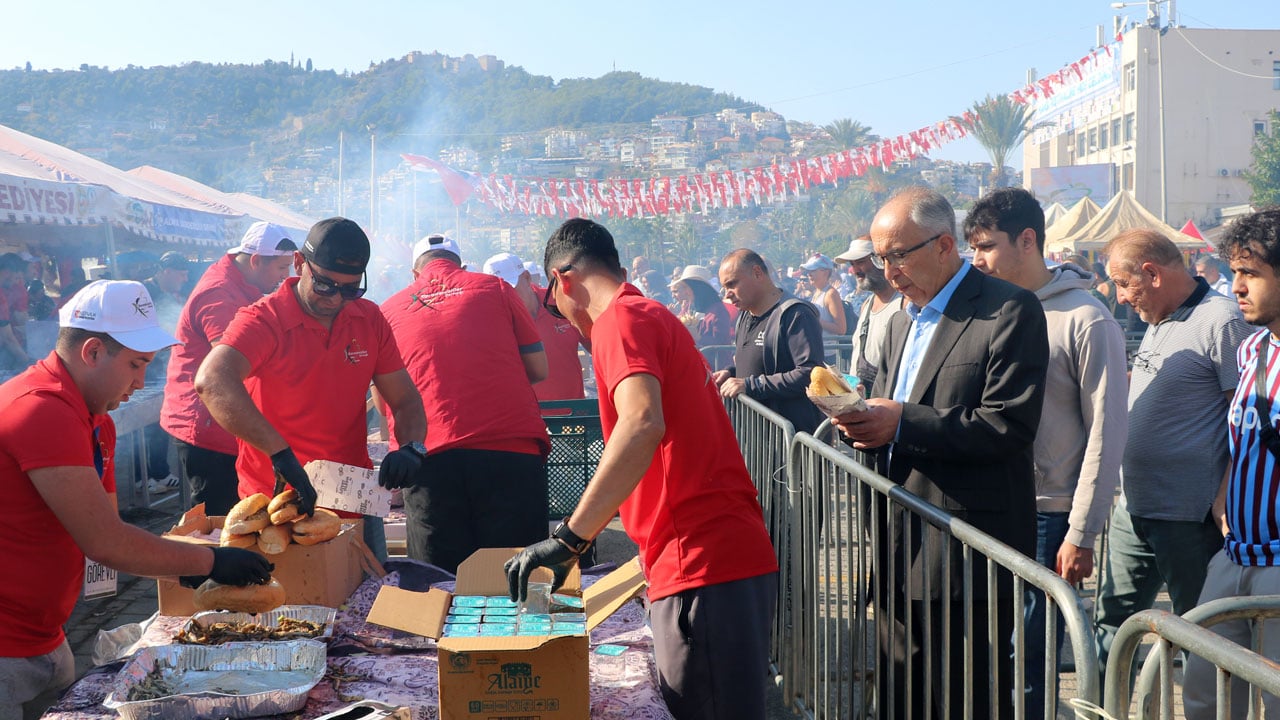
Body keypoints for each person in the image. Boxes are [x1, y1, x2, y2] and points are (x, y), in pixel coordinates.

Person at [506, 218, 779, 720]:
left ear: (565, 281)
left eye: (553, 307)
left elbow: (640, 424)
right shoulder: (645, 314)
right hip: (708, 556)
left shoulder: (620, 321)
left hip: (700, 560)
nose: (564, 318)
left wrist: (569, 538)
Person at [0, 280, 271, 719]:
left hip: (47, 635)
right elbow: (106, 542)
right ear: (92, 352)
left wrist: (188, 559)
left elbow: (113, 534)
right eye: (136, 364)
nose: (142, 381)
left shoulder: (95, 420)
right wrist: (211, 562)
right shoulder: (40, 409)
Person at [833, 187, 1049, 720]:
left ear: (945, 245)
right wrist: (855, 422)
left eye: (897, 255)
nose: (888, 269)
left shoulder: (1007, 310)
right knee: (900, 694)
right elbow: (886, 407)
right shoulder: (903, 319)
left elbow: (1006, 425)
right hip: (893, 545)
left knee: (961, 696)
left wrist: (901, 421)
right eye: (881, 258)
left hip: (962, 552)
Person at [966, 187, 1129, 715]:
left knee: (1030, 659)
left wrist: (1082, 528)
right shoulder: (985, 313)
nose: (977, 260)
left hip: (1048, 516)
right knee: (988, 653)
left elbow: (1106, 428)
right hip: (988, 506)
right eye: (972, 247)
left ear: (1028, 240)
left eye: (987, 245)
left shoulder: (1086, 317)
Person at [194, 218, 427, 562]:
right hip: (277, 504)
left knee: (369, 602)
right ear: (300, 264)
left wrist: (411, 447)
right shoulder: (263, 319)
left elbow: (405, 400)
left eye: (349, 289)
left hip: (353, 496)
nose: (335, 299)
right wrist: (279, 454)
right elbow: (212, 380)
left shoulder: (369, 318)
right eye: (325, 285)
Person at [1093, 228, 1252, 681]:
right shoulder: (1158, 319)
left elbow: (1243, 417)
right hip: (1136, 508)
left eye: (1125, 284)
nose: (1121, 298)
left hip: (1189, 517)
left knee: (1199, 634)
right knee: (1113, 621)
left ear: (1152, 273)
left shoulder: (1222, 320)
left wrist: (1224, 495)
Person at [379, 236, 551, 573]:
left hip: (428, 456)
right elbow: (538, 369)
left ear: (415, 273)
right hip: (509, 450)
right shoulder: (495, 288)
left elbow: (384, 392)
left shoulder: (389, 309)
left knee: (438, 585)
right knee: (516, 580)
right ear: (462, 266)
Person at [1185, 208, 1280, 719]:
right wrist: (1225, 489)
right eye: (1236, 272)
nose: (1236, 286)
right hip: (1231, 558)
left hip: (1279, 571)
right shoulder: (1251, 351)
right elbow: (1245, 440)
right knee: (1206, 696)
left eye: (1252, 273)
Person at [160, 222, 297, 515]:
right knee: (221, 523)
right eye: (281, 268)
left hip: (227, 422)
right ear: (257, 260)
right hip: (207, 424)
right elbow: (232, 366)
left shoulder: (244, 284)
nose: (285, 276)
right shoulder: (219, 293)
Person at [713, 248, 825, 434]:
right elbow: (761, 365)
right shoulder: (745, 316)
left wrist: (750, 385)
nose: (727, 294)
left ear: (757, 273)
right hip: (756, 437)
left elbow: (810, 373)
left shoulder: (796, 314)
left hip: (791, 438)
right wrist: (731, 373)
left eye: (732, 284)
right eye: (724, 287)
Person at [485, 251, 589, 402]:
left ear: (527, 278)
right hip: (526, 419)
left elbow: (597, 346)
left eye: (511, 288)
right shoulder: (493, 321)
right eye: (498, 293)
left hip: (572, 416)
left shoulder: (559, 302)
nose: (507, 297)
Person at [835, 236, 904, 397]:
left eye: (860, 262)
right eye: (852, 264)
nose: (855, 270)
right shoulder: (867, 305)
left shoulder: (904, 304)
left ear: (880, 260)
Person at [669, 264, 733, 369]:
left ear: (698, 288)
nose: (685, 292)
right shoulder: (689, 306)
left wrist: (698, 337)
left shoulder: (718, 310)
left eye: (686, 287)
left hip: (717, 369)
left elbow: (720, 341)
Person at [800, 253, 847, 337]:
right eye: (808, 271)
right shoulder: (816, 292)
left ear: (825, 272)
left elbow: (841, 329)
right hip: (818, 348)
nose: (809, 274)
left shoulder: (831, 294)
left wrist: (815, 320)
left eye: (813, 270)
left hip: (828, 349)